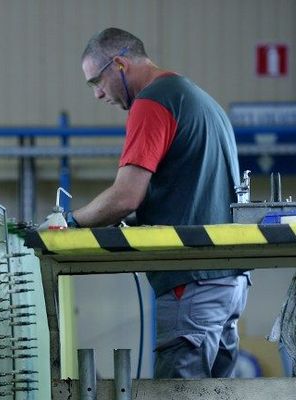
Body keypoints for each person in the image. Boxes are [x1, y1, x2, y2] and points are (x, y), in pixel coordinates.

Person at [69, 27, 250, 378]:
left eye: (97, 82)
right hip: (228, 283)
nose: (97, 94)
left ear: (119, 64)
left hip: (192, 286)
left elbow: (125, 196)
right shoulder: (197, 98)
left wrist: (70, 221)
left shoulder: (153, 102)